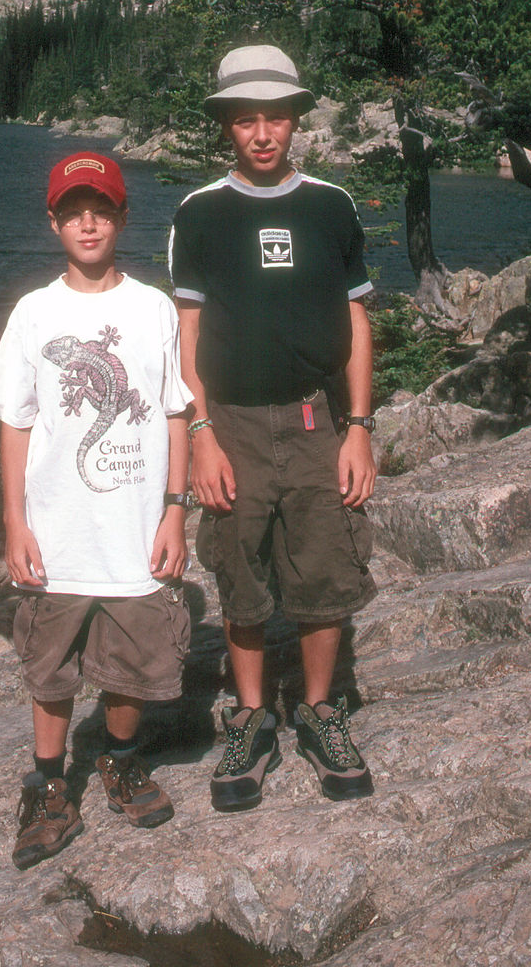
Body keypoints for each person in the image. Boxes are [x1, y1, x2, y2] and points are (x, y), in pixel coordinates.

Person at [168, 44, 378, 813]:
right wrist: (200, 433)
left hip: (316, 418)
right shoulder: (201, 213)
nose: (262, 133)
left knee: (324, 573)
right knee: (240, 573)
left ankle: (321, 713)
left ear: (295, 120)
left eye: (276, 117)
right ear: (228, 124)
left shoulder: (331, 205)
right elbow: (184, 334)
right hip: (233, 426)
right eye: (246, 118)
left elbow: (355, 320)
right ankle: (252, 719)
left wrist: (358, 426)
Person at [0, 151, 193, 868]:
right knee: (50, 665)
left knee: (133, 659)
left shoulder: (151, 308)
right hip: (58, 533)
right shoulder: (35, 315)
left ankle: (120, 758)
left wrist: (175, 509)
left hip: (136, 528)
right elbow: (13, 422)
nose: (87, 222)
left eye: (101, 209)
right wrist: (14, 520)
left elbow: (173, 411)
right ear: (53, 223)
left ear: (123, 218)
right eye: (73, 210)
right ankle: (49, 785)